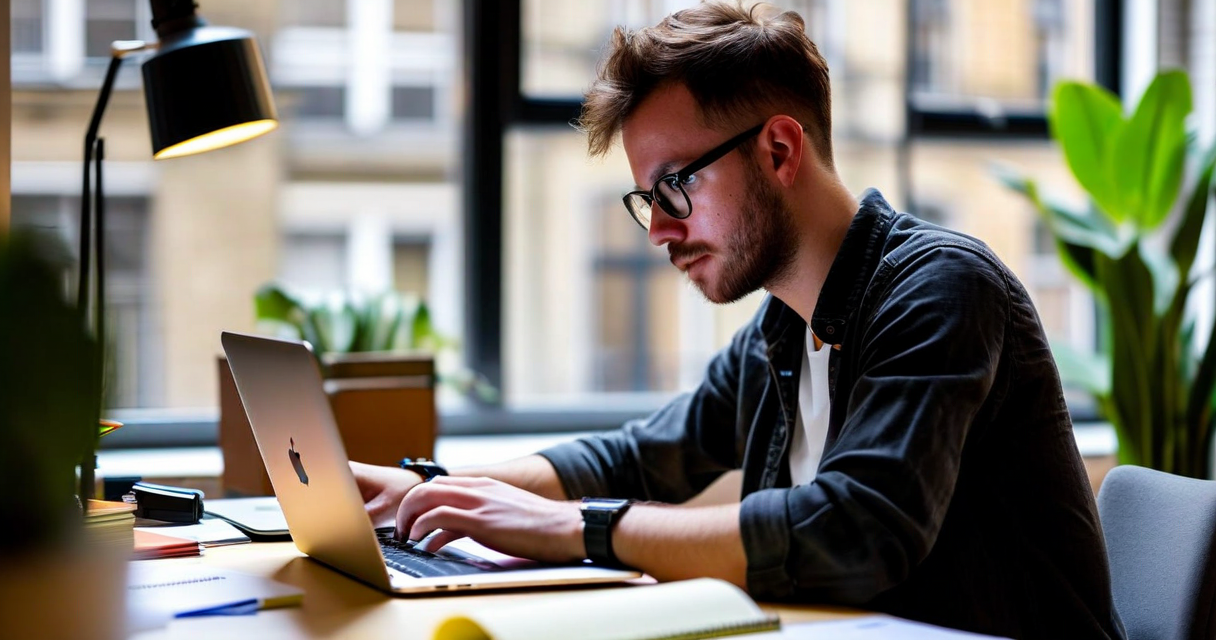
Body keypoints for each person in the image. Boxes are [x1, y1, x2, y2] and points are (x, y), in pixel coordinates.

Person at [352, 3, 1124, 638]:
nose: (658, 231)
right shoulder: (779, 331)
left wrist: (571, 528)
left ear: (779, 150)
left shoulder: (941, 289)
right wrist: (427, 491)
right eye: (647, 200)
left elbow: (856, 529)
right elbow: (640, 456)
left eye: (674, 187)